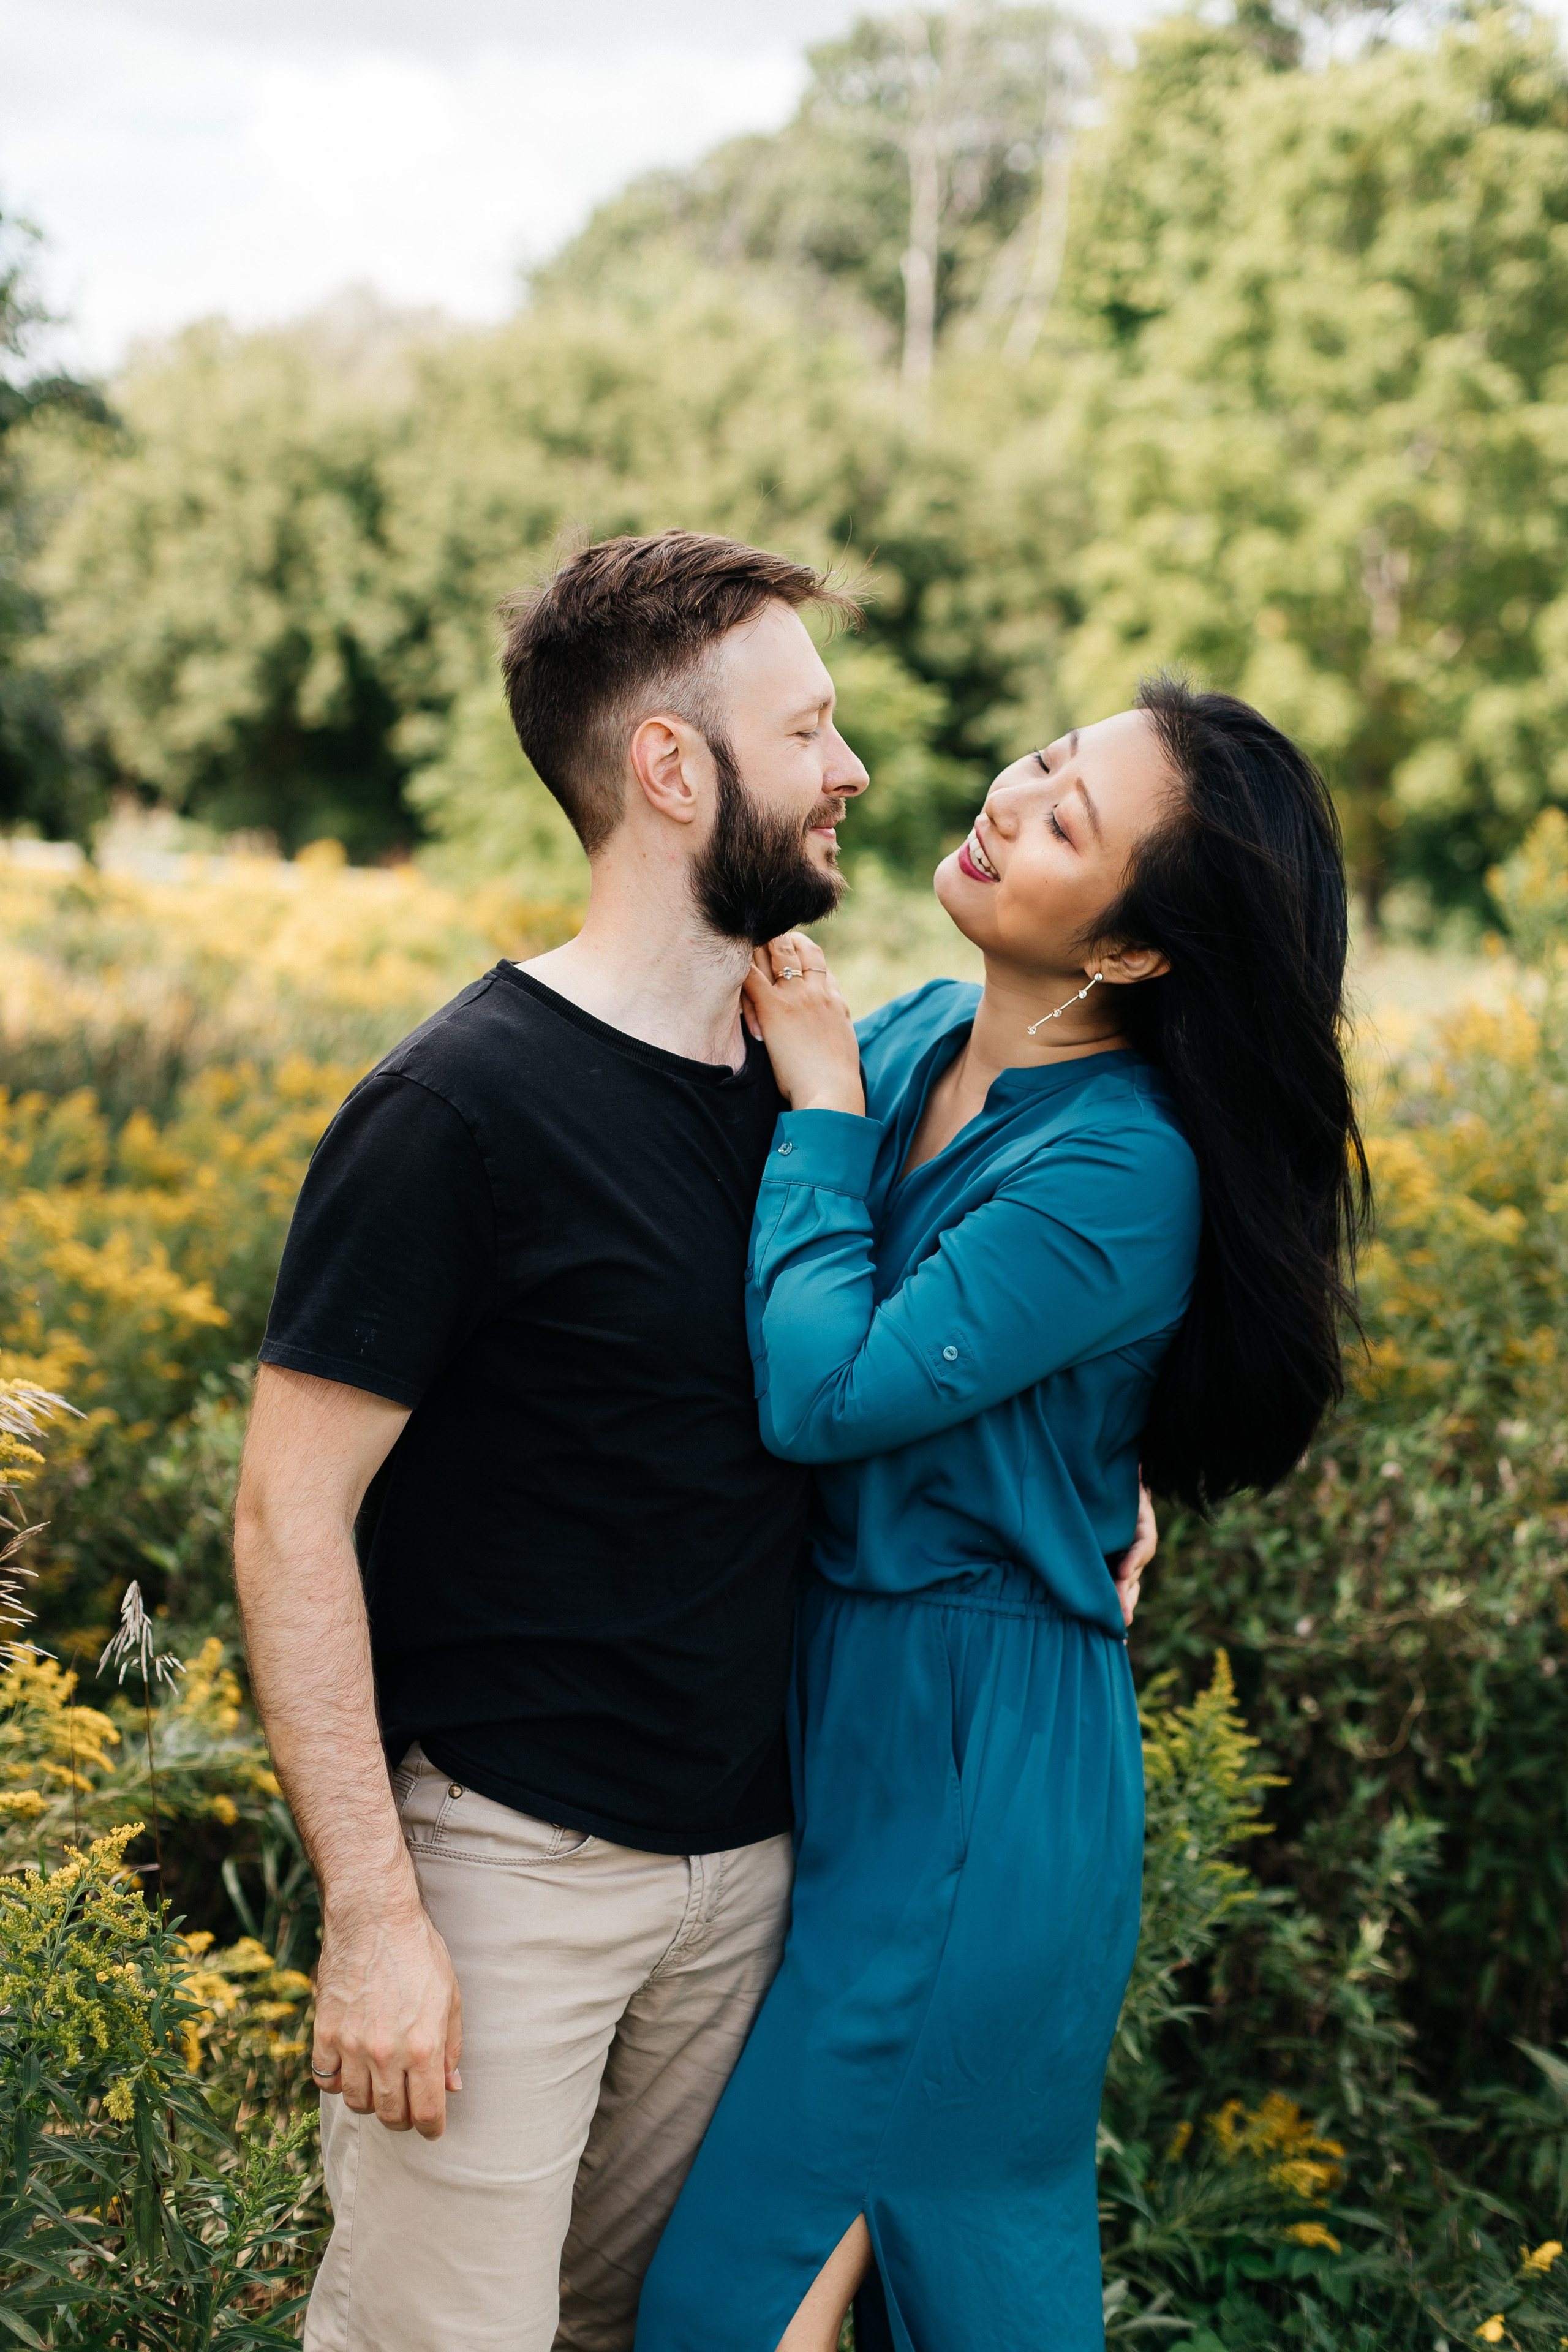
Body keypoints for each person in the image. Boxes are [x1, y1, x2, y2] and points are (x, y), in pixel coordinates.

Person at [634, 680, 1368, 2352]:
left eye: (1067, 822)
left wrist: (817, 1118)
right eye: (1044, 761)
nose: (1011, 800)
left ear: (1132, 954)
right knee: (872, 2298)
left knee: (735, 2312)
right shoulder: (901, 1043)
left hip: (975, 1787)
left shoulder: (1122, 1165)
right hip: (860, 1732)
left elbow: (827, 1396)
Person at [232, 530, 885, 2352]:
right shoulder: (456, 1106)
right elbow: (291, 1521)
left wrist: (1097, 1489)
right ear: (673, 771)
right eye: (810, 728)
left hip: (753, 1883)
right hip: (507, 1884)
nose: (850, 771)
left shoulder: (809, 1086)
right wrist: (376, 1916)